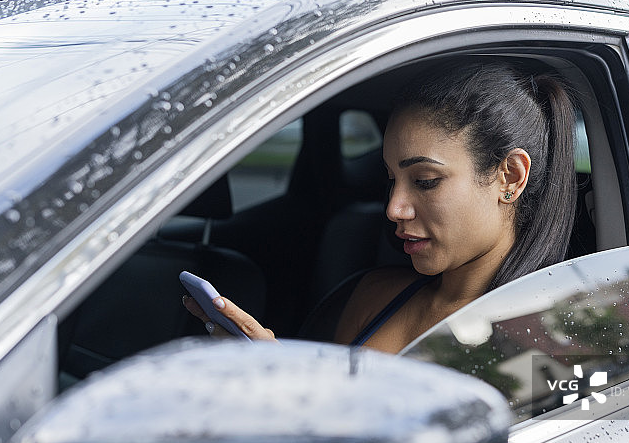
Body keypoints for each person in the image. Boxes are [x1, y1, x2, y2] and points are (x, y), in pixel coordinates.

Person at [183, 60, 576, 354]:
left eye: (425, 181)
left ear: (510, 176)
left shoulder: (550, 338)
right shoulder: (374, 295)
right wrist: (277, 375)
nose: (394, 209)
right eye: (391, 179)